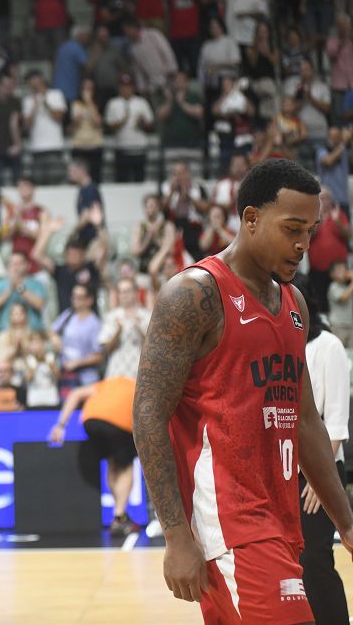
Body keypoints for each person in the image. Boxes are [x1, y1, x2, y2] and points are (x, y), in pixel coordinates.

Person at [133, 158, 353, 622]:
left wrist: (346, 522)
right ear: (250, 218)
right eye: (292, 227)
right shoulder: (195, 294)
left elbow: (306, 420)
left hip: (280, 521)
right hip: (229, 524)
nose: (302, 244)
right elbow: (148, 415)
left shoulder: (294, 303)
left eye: (310, 231)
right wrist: (176, 537)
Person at [293, 279, 350, 625]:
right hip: (286, 469)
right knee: (293, 562)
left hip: (321, 467)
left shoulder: (329, 346)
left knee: (315, 558)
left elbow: (337, 422)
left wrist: (320, 477)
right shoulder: (281, 345)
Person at [48, 375, 140, 535]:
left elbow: (75, 393)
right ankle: (119, 517)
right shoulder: (136, 385)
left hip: (91, 420)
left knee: (112, 461)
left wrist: (61, 425)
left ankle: (120, 514)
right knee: (126, 467)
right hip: (121, 423)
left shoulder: (106, 384)